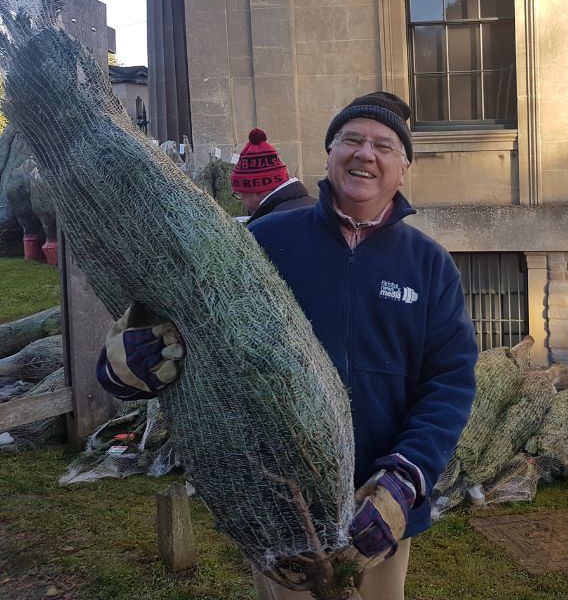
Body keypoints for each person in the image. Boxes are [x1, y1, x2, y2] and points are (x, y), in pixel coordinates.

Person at [97, 92, 478, 600]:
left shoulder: (428, 264)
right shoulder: (266, 240)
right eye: (352, 139)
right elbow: (184, 326)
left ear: (402, 169)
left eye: (384, 145)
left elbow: (450, 382)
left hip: (379, 507)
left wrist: (405, 479)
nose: (366, 153)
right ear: (329, 155)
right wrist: (123, 364)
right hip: (278, 504)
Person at [230, 128, 315, 224]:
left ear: (256, 192)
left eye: (240, 194)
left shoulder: (265, 227)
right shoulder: (319, 207)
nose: (242, 202)